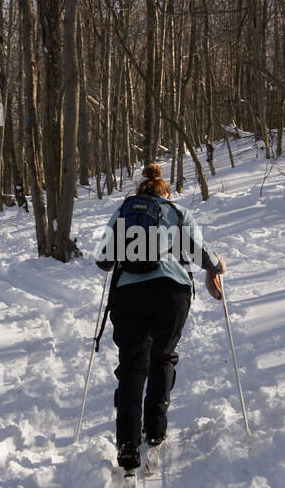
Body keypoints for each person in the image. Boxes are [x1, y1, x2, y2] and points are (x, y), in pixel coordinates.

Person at [94, 164, 225, 472]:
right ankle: (155, 431)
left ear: (142, 192)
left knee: (132, 365)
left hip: (129, 295)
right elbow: (198, 252)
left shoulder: (124, 211)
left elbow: (103, 261)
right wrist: (218, 266)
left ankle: (127, 442)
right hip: (172, 292)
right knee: (162, 358)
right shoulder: (178, 212)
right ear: (166, 192)